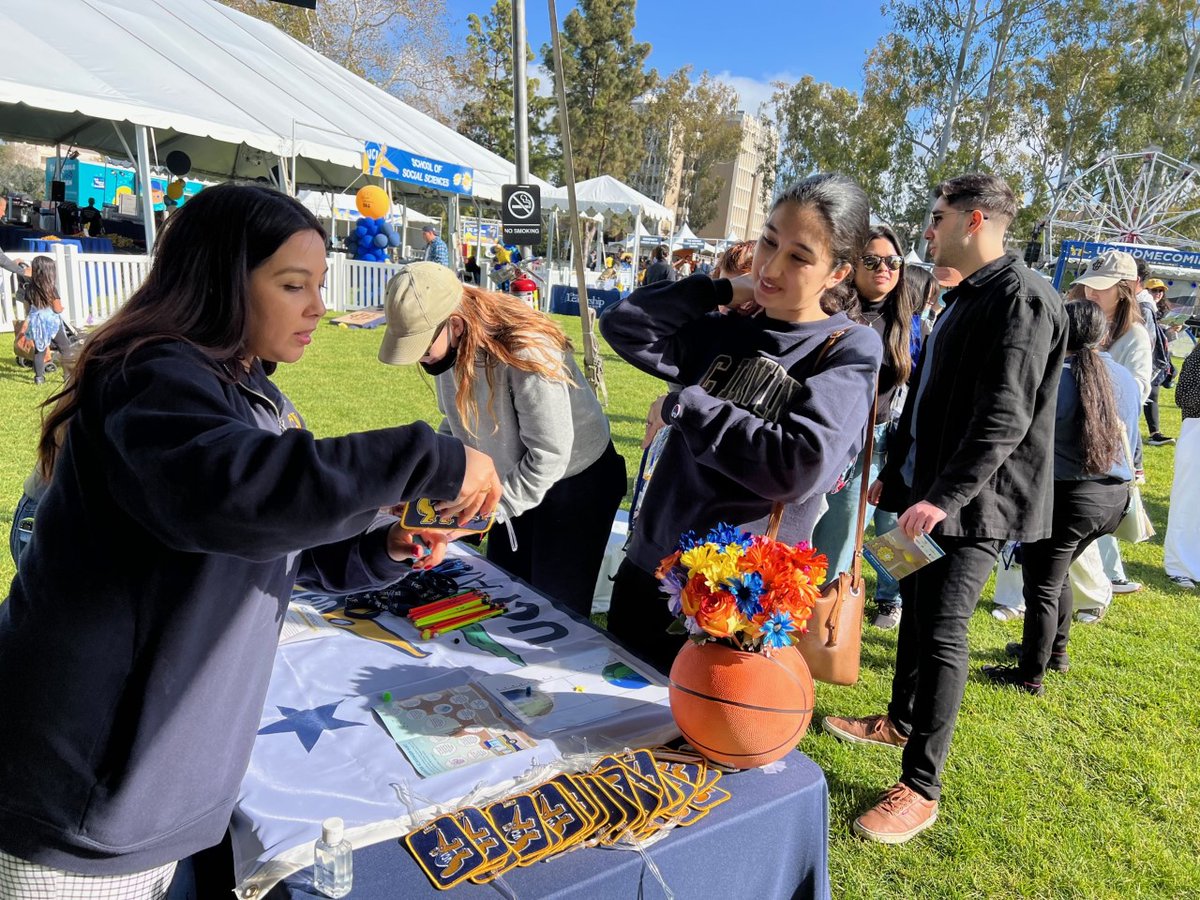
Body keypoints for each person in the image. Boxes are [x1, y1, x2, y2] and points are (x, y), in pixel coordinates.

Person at [0, 184, 501, 896]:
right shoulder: (152, 377)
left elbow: (286, 540)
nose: (317, 308)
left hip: (148, 789)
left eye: (318, 285)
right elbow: (236, 494)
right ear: (219, 283)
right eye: (292, 284)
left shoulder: (251, 392)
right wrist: (433, 458)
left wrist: (386, 544)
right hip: (80, 793)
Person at [823, 173, 1067, 844]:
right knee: (913, 611)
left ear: (976, 219)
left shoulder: (1023, 300)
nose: (927, 231)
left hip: (972, 509)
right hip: (923, 500)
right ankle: (899, 720)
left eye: (937, 217)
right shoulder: (962, 296)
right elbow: (931, 397)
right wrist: (898, 481)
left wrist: (941, 498)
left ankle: (920, 786)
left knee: (943, 633)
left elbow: (1003, 419)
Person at [599, 173, 883, 672]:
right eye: (769, 241)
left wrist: (691, 405)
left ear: (837, 273)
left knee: (697, 743)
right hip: (649, 565)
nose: (772, 266)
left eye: (799, 256)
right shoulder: (729, 327)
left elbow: (799, 466)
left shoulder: (847, 348)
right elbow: (623, 325)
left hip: (735, 597)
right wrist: (720, 288)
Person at [378, 263, 627, 617]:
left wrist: (479, 514)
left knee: (556, 608)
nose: (421, 357)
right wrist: (429, 485)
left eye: (423, 346)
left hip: (574, 487)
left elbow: (550, 454)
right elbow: (457, 422)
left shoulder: (527, 350)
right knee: (503, 591)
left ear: (456, 324)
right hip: (508, 477)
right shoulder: (450, 346)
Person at [982, 300, 1139, 694]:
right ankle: (1054, 653)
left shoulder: (1052, 378)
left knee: (1042, 586)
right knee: (1057, 574)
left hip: (1070, 497)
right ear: (1103, 335)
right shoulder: (1121, 377)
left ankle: (1029, 675)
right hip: (1113, 499)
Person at [813, 228, 922, 630]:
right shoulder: (833, 312)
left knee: (891, 527)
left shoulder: (908, 323)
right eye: (872, 261)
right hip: (837, 435)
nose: (883, 269)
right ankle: (818, 613)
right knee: (831, 529)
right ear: (852, 266)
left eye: (892, 262)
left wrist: (901, 456)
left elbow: (915, 389)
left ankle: (890, 598)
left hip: (885, 439)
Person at [1074, 250, 1153, 601]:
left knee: (1095, 509)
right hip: (1072, 426)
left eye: (1101, 287)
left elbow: (1137, 390)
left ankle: (1106, 580)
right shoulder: (1075, 320)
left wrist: (1094, 379)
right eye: (1089, 284)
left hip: (1108, 436)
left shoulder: (1134, 335)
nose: (1092, 292)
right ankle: (1109, 577)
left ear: (1124, 290)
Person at [1163, 338, 1200, 589]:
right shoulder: (1197, 358)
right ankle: (1180, 566)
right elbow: (1184, 397)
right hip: (1196, 432)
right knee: (1188, 503)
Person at [19, 255, 72, 385]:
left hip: (37, 322)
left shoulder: (29, 289)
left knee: (40, 349)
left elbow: (27, 307)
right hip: (51, 322)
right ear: (49, 272)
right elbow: (57, 309)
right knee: (64, 347)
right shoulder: (51, 289)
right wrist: (61, 308)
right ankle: (67, 375)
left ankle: (39, 378)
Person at [1141, 275, 1175, 445]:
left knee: (1153, 395)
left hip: (1157, 359)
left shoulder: (1159, 311)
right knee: (1147, 394)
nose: (1159, 293)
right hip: (1146, 358)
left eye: (1161, 290)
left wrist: (1172, 332)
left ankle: (1155, 432)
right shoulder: (1145, 309)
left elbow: (1162, 341)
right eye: (1155, 290)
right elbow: (1149, 337)